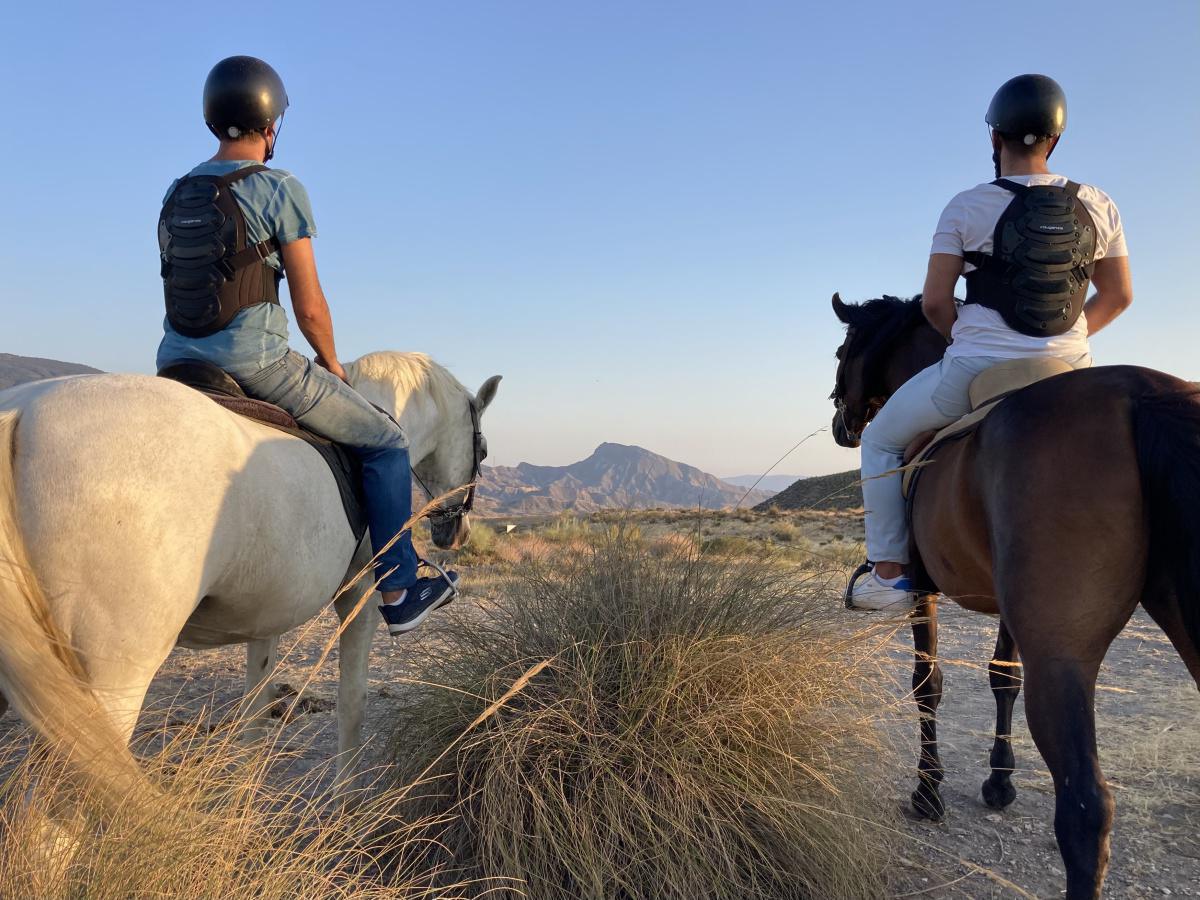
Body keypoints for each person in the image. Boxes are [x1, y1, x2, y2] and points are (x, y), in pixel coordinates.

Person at [156, 55, 458, 634]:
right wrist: (331, 362)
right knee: (386, 442)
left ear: (213, 117)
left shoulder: (177, 191)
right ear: (271, 124)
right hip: (257, 362)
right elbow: (310, 307)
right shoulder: (279, 188)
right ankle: (400, 589)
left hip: (175, 360)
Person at [849, 74, 1134, 610]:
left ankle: (888, 577)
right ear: (1054, 140)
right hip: (1070, 372)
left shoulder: (966, 206)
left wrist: (966, 339)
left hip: (976, 369)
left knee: (880, 442)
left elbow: (936, 303)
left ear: (995, 137)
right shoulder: (1100, 203)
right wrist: (1065, 340)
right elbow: (1118, 296)